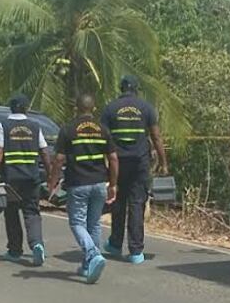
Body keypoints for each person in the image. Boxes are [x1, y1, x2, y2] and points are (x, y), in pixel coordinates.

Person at [48, 93, 118, 284]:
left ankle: (93, 254)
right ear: (93, 109)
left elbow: (59, 159)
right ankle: (88, 266)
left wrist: (53, 181)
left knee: (77, 223)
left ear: (76, 109)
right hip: (99, 183)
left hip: (78, 184)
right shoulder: (103, 129)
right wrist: (113, 184)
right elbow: (113, 158)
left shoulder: (68, 129)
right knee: (94, 224)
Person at [100, 75, 168, 264]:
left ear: (121, 89)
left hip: (117, 163)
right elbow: (156, 137)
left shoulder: (110, 108)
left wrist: (101, 164)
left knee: (118, 202)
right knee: (137, 204)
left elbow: (102, 137)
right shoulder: (146, 108)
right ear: (137, 89)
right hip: (140, 163)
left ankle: (115, 244)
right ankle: (136, 251)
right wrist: (164, 162)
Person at [0, 93, 52, 266]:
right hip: (32, 178)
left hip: (11, 178)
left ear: (11, 108)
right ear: (26, 108)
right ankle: (37, 244)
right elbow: (44, 151)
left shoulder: (4, 125)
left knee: (11, 212)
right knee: (32, 212)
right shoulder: (35, 126)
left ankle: (15, 250)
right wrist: (50, 174)